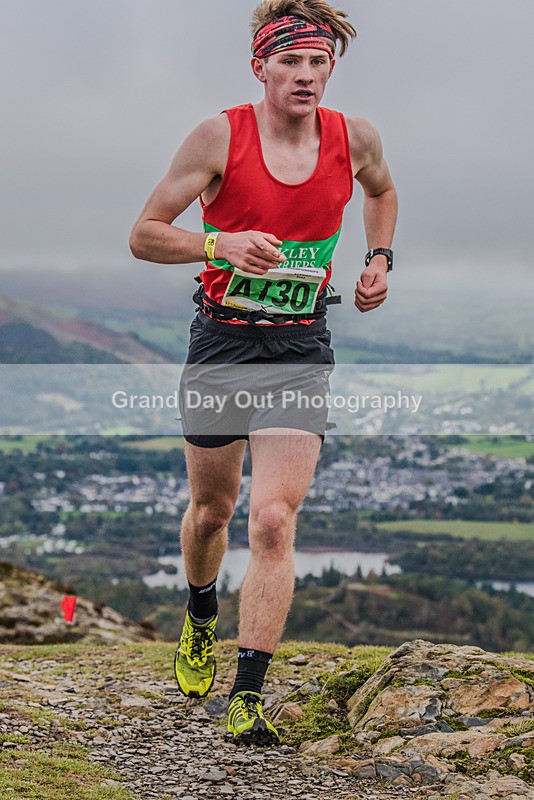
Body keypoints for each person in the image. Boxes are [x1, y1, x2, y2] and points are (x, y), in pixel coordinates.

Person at [130, 0, 397, 746]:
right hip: (222, 343)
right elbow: (143, 235)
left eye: (318, 63)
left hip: (300, 349)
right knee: (212, 513)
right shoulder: (221, 135)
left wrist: (378, 260)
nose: (307, 76)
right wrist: (221, 245)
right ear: (262, 66)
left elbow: (381, 191)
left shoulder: (356, 137)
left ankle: (248, 694)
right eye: (291, 62)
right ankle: (199, 610)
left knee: (274, 519)